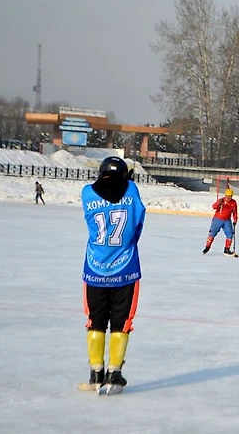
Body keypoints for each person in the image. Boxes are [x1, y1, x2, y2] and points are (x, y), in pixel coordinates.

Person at [80, 156, 146, 394]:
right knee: (122, 323)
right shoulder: (131, 189)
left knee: (95, 322)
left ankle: (95, 374)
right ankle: (114, 374)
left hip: (94, 269)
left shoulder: (87, 193)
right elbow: (138, 221)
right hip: (126, 270)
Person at [202, 188, 238, 255]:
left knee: (230, 234)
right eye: (227, 196)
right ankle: (207, 247)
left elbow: (235, 212)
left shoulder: (233, 202)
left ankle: (227, 249)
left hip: (227, 220)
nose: (228, 198)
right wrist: (218, 203)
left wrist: (235, 220)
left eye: (230, 196)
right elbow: (214, 207)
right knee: (212, 233)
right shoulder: (221, 201)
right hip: (217, 219)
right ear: (225, 195)